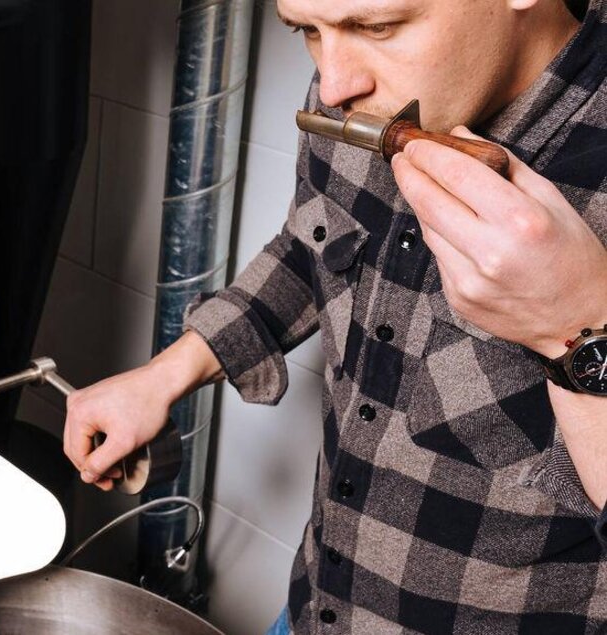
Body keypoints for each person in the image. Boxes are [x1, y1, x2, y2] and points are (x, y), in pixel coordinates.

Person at [62, 0, 607, 631]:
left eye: (377, 26)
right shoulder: (360, 84)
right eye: (308, 33)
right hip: (317, 607)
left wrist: (578, 325)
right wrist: (166, 374)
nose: (335, 84)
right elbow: (314, 242)